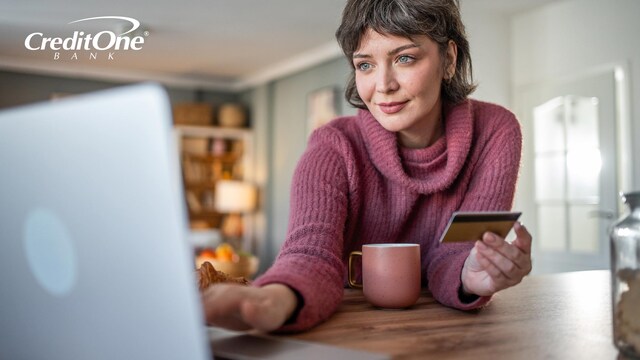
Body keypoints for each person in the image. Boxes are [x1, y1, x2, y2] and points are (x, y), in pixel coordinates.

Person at [201, 0, 532, 333]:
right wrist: (270, 300)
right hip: (350, 331)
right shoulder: (332, 146)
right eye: (365, 65)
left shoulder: (495, 131)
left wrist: (472, 273)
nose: (383, 85)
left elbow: (457, 255)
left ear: (448, 59)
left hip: (449, 334)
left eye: (404, 58)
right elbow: (311, 253)